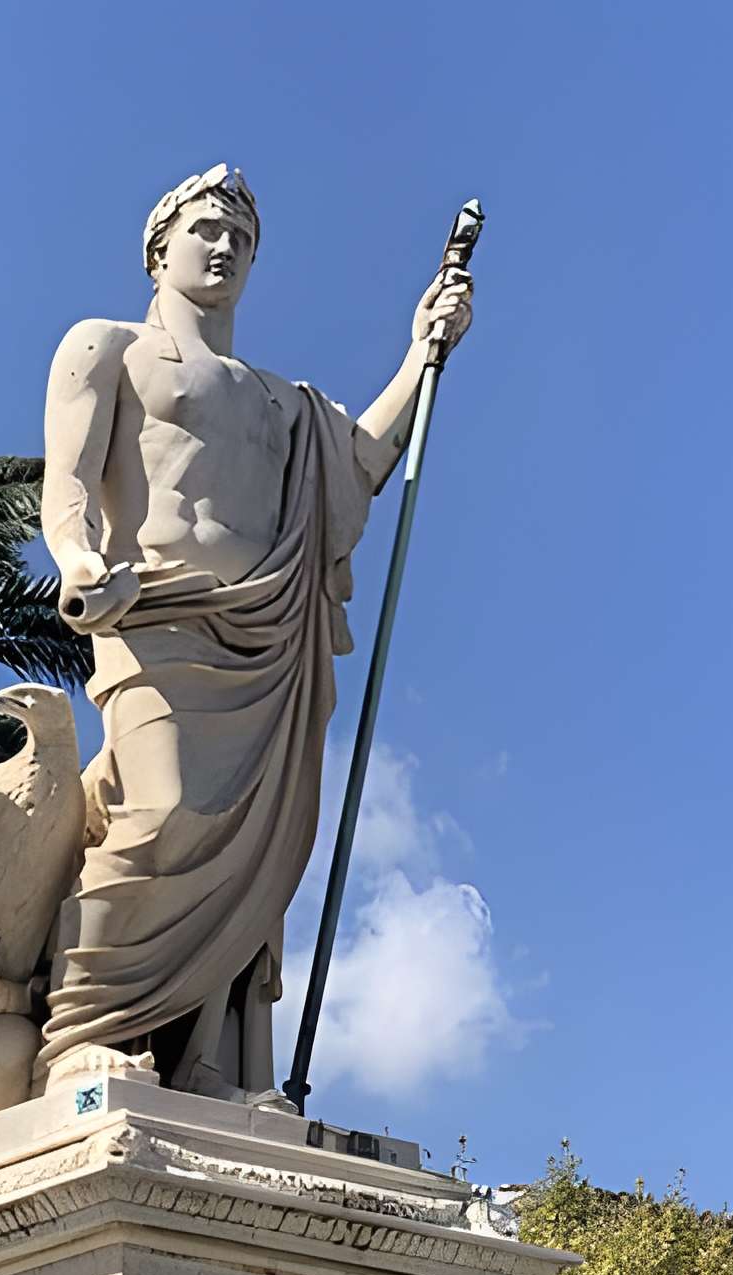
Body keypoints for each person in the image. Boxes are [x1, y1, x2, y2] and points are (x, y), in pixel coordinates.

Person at [37, 165, 472, 1096]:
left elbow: (355, 471)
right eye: (205, 228)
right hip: (154, 613)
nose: (225, 245)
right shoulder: (104, 348)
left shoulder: (285, 402)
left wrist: (421, 354)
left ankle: (204, 1064)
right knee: (164, 815)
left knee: (255, 855)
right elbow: (67, 487)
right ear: (160, 250)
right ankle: (81, 1027)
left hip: (267, 636)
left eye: (242, 236)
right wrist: (78, 562)